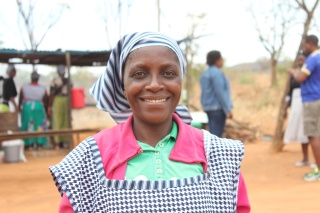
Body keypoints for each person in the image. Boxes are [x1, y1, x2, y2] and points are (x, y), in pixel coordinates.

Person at [49, 32, 250, 212]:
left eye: (168, 73)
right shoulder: (90, 158)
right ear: (123, 86)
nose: (154, 85)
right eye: (140, 74)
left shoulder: (219, 156)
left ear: (181, 81)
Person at [288, 34, 320, 181]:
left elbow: (301, 78)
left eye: (304, 44)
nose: (303, 47)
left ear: (310, 43)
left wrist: (295, 73)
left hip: (312, 100)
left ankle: (318, 170)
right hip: (317, 98)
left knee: (313, 135)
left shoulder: (313, 59)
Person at [283, 53, 309, 167]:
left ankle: (315, 161)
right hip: (296, 104)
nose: (300, 62)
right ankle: (305, 158)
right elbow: (289, 93)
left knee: (311, 133)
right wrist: (285, 108)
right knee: (302, 132)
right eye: (298, 60)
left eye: (302, 60)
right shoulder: (294, 75)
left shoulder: (309, 73)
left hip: (307, 102)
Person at [200, 50, 233, 137]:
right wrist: (228, 109)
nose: (222, 61)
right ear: (217, 60)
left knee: (212, 133)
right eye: (221, 59)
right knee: (216, 136)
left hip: (208, 108)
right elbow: (220, 92)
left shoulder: (204, 74)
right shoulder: (217, 73)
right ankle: (212, 151)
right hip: (217, 109)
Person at [18, 71, 49, 150]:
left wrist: (19, 107)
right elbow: (46, 100)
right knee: (39, 125)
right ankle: (39, 144)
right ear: (38, 78)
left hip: (27, 108)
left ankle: (29, 144)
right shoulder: (42, 88)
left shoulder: (24, 87)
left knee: (29, 124)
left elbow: (20, 98)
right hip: (38, 107)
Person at [48, 65, 70, 150]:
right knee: (64, 121)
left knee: (57, 121)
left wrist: (49, 106)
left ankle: (58, 143)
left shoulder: (55, 80)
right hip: (66, 101)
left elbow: (52, 93)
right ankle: (63, 143)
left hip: (57, 101)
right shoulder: (68, 80)